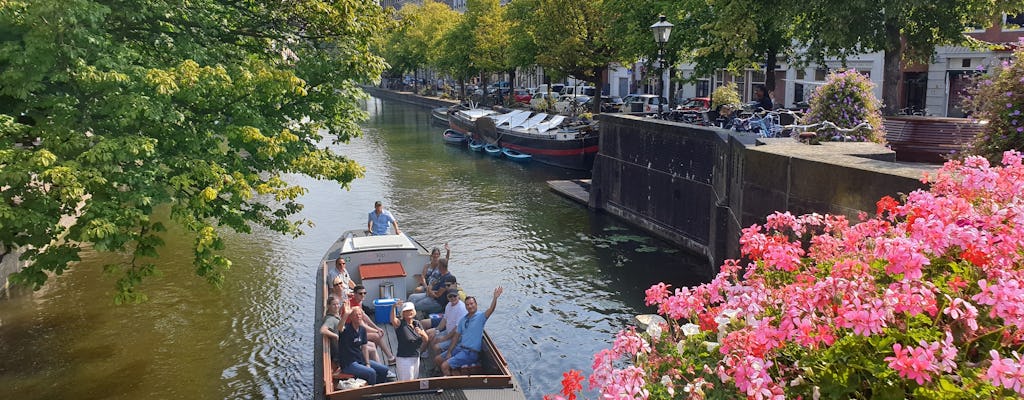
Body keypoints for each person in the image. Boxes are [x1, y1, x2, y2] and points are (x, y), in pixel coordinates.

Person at [437, 286, 503, 376]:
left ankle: (451, 386)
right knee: (438, 359)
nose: (470, 306)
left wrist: (495, 298)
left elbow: (491, 309)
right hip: (460, 348)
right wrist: (449, 352)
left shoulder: (481, 317)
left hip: (470, 353)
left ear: (476, 304)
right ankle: (446, 374)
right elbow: (456, 337)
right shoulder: (463, 320)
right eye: (467, 305)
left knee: (444, 366)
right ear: (465, 306)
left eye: (472, 304)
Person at [338, 308, 391, 385]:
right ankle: (372, 392)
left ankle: (379, 387)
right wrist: (346, 314)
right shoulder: (346, 329)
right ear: (351, 317)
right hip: (349, 364)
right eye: (356, 315)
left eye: (360, 314)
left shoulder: (362, 330)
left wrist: (367, 363)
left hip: (360, 360)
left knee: (384, 369)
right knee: (371, 373)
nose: (358, 316)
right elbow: (339, 328)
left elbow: (364, 347)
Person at [349, 285, 397, 364]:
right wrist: (376, 330)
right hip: (352, 333)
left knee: (377, 335)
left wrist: (377, 328)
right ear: (354, 294)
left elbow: (365, 317)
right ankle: (390, 358)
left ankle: (378, 359)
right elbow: (362, 325)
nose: (363, 295)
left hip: (358, 329)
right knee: (376, 336)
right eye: (360, 293)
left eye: (364, 293)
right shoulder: (352, 305)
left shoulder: (359, 302)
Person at [390, 300, 428, 381]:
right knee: (407, 382)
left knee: (414, 380)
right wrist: (393, 307)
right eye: (406, 311)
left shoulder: (417, 323)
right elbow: (393, 320)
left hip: (416, 357)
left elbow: (426, 339)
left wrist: (421, 333)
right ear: (403, 313)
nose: (409, 312)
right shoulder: (400, 323)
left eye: (411, 310)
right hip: (404, 358)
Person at [425, 288, 468, 358]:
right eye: (450, 296)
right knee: (432, 337)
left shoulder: (462, 308)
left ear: (458, 296)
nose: (453, 298)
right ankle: (436, 361)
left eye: (454, 296)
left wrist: (444, 338)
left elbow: (456, 329)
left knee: (436, 347)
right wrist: (436, 330)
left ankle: (439, 363)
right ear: (447, 297)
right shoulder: (449, 305)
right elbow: (444, 320)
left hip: (458, 336)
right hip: (448, 331)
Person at [319, 295, 352, 377]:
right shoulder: (330, 319)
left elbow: (338, 317)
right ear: (329, 306)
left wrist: (342, 308)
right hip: (342, 352)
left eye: (338, 304)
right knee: (370, 346)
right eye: (334, 304)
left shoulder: (335, 315)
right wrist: (335, 336)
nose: (336, 306)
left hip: (346, 344)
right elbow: (323, 330)